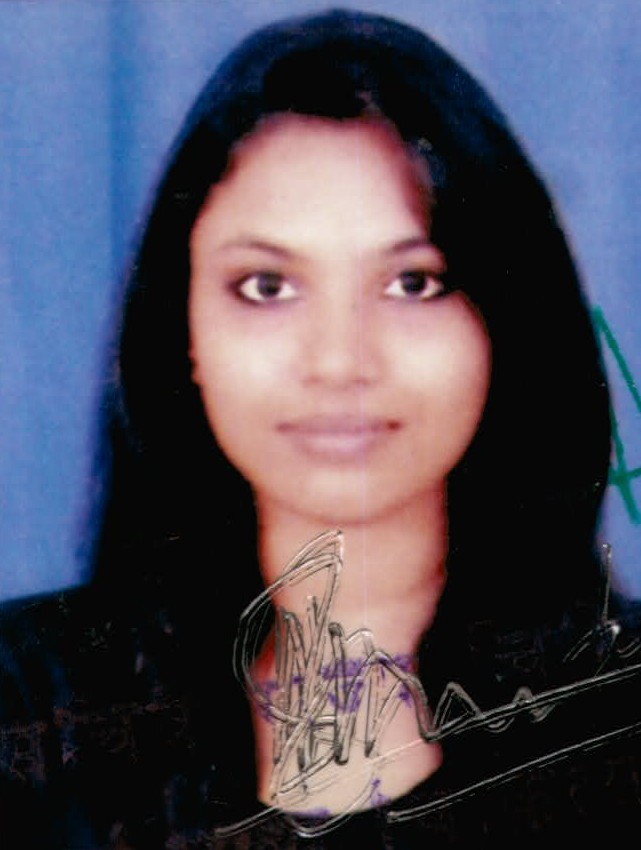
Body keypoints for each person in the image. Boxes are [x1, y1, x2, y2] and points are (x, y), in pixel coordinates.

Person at [0, 8, 639, 848]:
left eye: (413, 283)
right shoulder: (24, 706)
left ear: (506, 321)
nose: (338, 361)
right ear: (180, 330)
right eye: (267, 287)